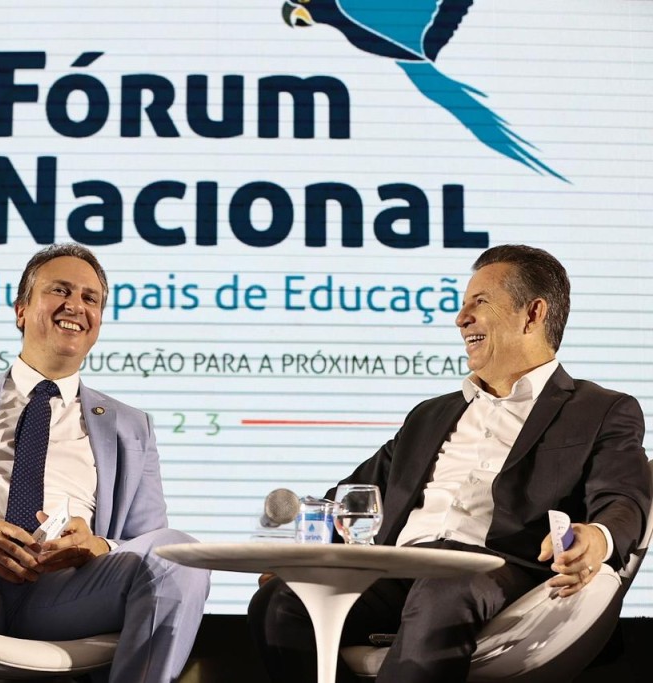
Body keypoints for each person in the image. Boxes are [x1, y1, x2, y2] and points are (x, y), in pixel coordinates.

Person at [248, 244, 651, 682]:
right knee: (281, 601)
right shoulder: (430, 415)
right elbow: (351, 497)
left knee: (444, 586)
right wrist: (297, 557)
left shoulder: (599, 409)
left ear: (532, 314)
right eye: (463, 306)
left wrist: (597, 537)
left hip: (494, 570)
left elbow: (625, 499)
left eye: (479, 302)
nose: (461, 319)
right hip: (399, 569)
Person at [0, 244, 210, 683]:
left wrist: (98, 546)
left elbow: (148, 538)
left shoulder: (131, 426)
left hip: (66, 594)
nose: (75, 305)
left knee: (180, 554)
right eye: (59, 290)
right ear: (21, 310)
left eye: (90, 298)